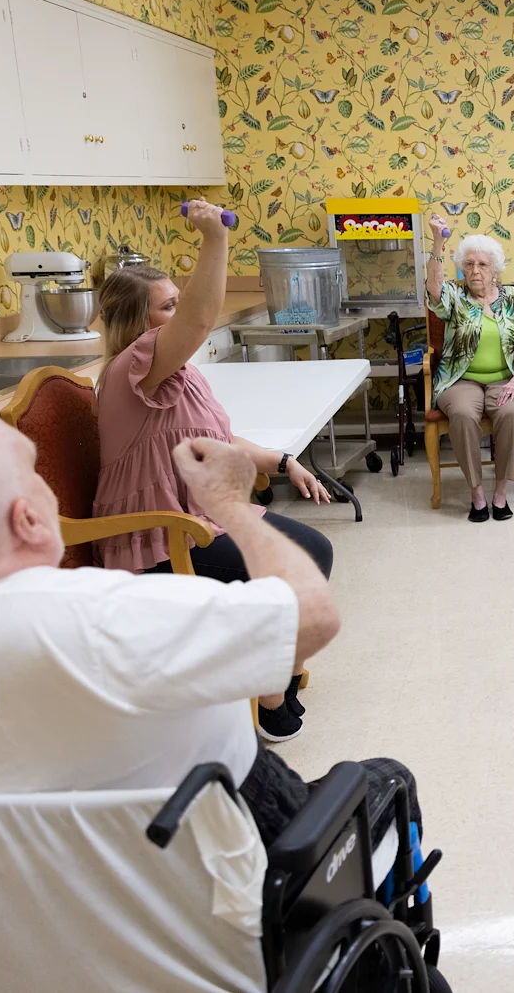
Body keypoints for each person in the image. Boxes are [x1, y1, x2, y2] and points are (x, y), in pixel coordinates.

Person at [0, 407, 424, 852]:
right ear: (27, 520)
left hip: (61, 892)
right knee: (389, 777)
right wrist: (231, 507)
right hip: (231, 861)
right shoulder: (119, 614)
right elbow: (313, 616)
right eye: (37, 477)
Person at [94, 198, 333, 743]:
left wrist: (282, 460)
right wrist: (213, 237)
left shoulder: (174, 375)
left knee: (314, 554)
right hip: (159, 535)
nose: (180, 315)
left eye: (178, 303)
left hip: (200, 513)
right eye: (167, 307)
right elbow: (201, 318)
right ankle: (269, 697)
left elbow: (215, 440)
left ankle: (268, 674)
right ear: (137, 325)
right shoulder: (134, 369)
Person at [424, 213, 514, 522]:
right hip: (460, 379)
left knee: (511, 412)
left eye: (483, 264)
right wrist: (439, 241)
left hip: (507, 379)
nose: (475, 271)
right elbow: (434, 292)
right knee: (464, 415)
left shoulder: (513, 299)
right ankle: (477, 493)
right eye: (469, 264)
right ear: (462, 268)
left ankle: (500, 492)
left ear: (495, 269)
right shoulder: (455, 297)